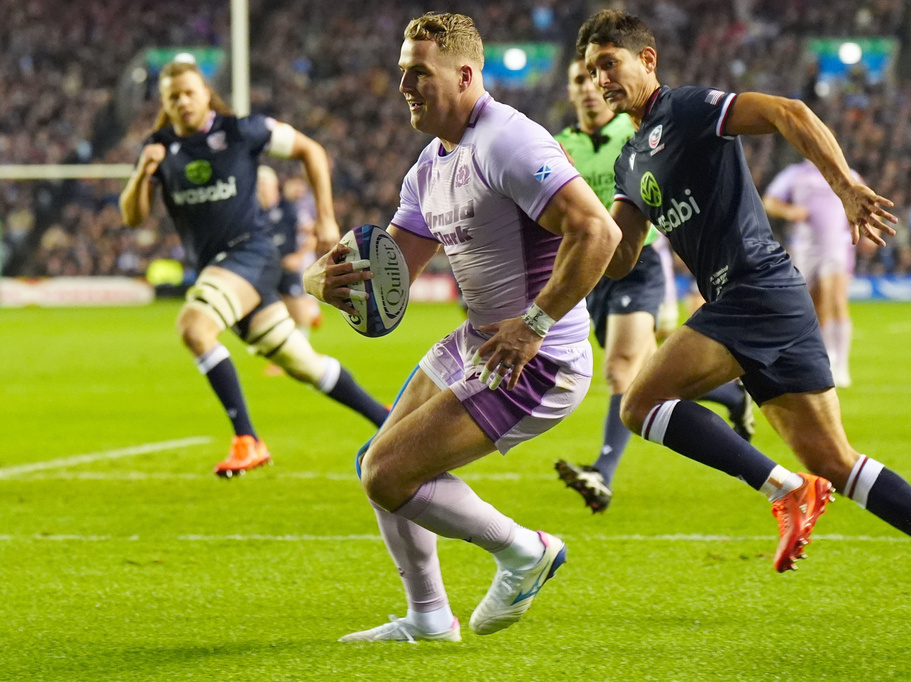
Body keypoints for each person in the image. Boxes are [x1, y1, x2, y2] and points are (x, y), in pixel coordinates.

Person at [577, 9, 911, 616]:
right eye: (594, 71)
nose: (601, 80)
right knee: (835, 460)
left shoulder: (690, 109)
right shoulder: (629, 161)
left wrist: (844, 186)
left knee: (640, 404)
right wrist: (575, 233)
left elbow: (791, 113)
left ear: (646, 60)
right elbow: (621, 257)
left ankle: (785, 490)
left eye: (610, 64)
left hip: (750, 288)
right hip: (767, 298)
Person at [304, 12, 619, 642]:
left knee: (388, 473)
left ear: (466, 74)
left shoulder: (509, 141)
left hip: (538, 357)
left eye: (418, 73)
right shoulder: (429, 165)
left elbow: (599, 231)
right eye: (402, 73)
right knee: (377, 461)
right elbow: (387, 279)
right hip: (481, 341)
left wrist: (532, 325)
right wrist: (320, 281)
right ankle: (428, 617)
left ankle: (525, 552)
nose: (405, 87)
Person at [119, 60, 390, 477]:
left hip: (251, 253)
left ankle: (247, 439)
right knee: (304, 364)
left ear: (206, 93)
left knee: (194, 328)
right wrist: (142, 172)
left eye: (190, 92)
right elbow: (133, 217)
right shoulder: (158, 146)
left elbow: (310, 150)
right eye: (173, 96)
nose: (183, 101)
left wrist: (326, 218)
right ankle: (388, 420)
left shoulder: (241, 130)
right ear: (164, 104)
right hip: (224, 270)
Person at [551, 58, 753, 513]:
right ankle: (731, 395)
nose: (588, 88)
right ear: (570, 91)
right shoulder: (556, 147)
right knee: (647, 375)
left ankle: (602, 472)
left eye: (593, 79)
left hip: (640, 262)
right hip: (593, 272)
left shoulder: (637, 135)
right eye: (578, 81)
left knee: (622, 370)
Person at [763, 160, 859, 387]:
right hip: (806, 248)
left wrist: (869, 227)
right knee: (814, 306)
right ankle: (824, 360)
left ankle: (841, 365)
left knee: (835, 298)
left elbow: (862, 199)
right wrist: (789, 211)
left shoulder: (845, 172)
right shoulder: (795, 174)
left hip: (836, 245)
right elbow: (769, 201)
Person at [256, 166, 321, 338]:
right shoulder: (255, 212)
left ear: (274, 185)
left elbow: (312, 234)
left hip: (286, 268)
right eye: (258, 184)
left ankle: (302, 350)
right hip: (265, 268)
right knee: (268, 315)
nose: (260, 189)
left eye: (263, 184)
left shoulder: (289, 208)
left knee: (297, 313)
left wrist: (298, 257)